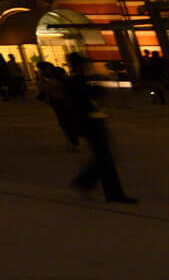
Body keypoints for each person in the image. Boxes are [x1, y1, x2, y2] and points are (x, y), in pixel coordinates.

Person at [65, 54, 136, 204]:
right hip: (90, 123)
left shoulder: (82, 81)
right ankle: (110, 192)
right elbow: (85, 99)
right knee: (105, 158)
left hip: (94, 122)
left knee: (103, 157)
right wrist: (98, 89)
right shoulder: (77, 82)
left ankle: (85, 182)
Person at [36, 59, 79, 148]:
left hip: (63, 100)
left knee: (67, 121)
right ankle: (73, 140)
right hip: (57, 101)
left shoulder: (56, 74)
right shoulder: (44, 78)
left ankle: (73, 140)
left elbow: (65, 85)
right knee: (64, 122)